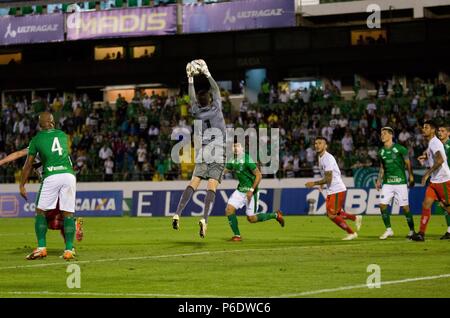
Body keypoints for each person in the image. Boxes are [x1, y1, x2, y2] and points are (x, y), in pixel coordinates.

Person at [172, 59, 226, 238]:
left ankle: (178, 213)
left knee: (193, 182)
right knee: (212, 186)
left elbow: (192, 98)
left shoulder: (196, 111)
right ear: (210, 99)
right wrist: (207, 73)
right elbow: (217, 89)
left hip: (203, 150)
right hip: (218, 150)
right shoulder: (216, 107)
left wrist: (190, 79)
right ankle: (204, 219)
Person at [20, 112, 77, 260]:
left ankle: (41, 248)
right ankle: (69, 250)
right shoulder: (63, 135)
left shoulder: (36, 139)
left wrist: (22, 184)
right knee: (68, 213)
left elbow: (28, 165)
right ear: (53, 122)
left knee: (40, 211)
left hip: (51, 175)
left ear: (40, 124)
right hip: (69, 175)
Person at [0, 148, 83, 242]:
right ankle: (69, 247)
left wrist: (2, 161)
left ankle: (72, 225)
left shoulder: (38, 146)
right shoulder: (57, 148)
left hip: (53, 185)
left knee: (48, 220)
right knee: (56, 220)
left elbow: (19, 154)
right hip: (66, 181)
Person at [224, 142, 284, 241]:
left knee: (251, 219)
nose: (235, 148)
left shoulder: (247, 159)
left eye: (237, 146)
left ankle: (275, 215)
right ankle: (237, 236)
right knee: (229, 210)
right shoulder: (232, 160)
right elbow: (224, 171)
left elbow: (259, 175)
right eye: (234, 146)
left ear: (242, 148)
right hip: (240, 190)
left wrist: (251, 190)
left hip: (252, 192)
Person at [305, 137, 362, 240]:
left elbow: (329, 178)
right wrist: (322, 185)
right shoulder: (320, 157)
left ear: (325, 146)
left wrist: (314, 183)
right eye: (316, 143)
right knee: (337, 213)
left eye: (320, 143)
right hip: (332, 190)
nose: (317, 145)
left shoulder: (328, 158)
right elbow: (325, 174)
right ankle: (356, 218)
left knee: (331, 215)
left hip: (337, 189)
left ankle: (352, 233)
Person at [412, 120, 450, 241]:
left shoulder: (434, 143)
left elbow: (440, 160)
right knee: (426, 204)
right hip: (435, 182)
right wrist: (426, 158)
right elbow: (436, 158)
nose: (424, 129)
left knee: (447, 208)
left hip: (443, 180)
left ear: (433, 130)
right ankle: (421, 234)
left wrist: (426, 174)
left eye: (426, 127)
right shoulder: (431, 144)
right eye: (423, 127)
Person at [375, 127, 415, 240]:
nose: (382, 135)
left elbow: (408, 164)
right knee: (382, 205)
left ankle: (412, 230)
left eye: (384, 134)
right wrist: (379, 180)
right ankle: (389, 229)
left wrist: (411, 176)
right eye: (381, 134)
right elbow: (382, 167)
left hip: (400, 182)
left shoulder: (400, 149)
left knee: (405, 208)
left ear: (391, 135)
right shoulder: (381, 151)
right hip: (387, 183)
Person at [436, 123, 450, 239]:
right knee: (443, 204)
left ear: (448, 133)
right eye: (439, 130)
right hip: (443, 179)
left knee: (445, 203)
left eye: (443, 130)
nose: (440, 132)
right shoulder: (438, 145)